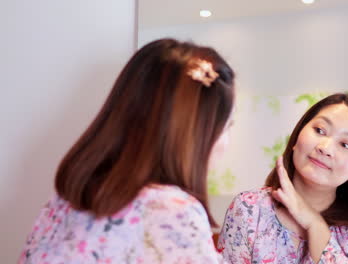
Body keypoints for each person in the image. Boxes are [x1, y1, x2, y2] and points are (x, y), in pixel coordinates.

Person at [19, 38, 235, 263]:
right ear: (196, 133)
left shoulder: (64, 201)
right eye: (227, 125)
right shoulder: (169, 210)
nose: (226, 143)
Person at [218, 93, 348, 263]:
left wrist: (314, 224)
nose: (325, 147)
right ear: (297, 137)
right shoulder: (249, 208)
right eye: (319, 130)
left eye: (345, 144)